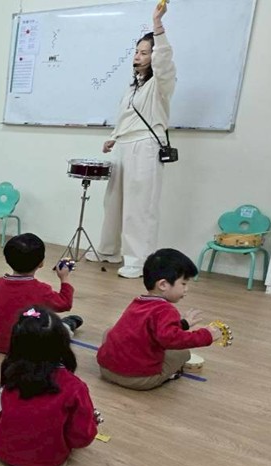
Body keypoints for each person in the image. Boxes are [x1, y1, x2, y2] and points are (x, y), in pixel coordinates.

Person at [93, 3, 175, 279]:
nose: (137, 56)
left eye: (144, 52)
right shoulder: (133, 87)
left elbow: (164, 60)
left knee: (139, 207)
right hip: (125, 146)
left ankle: (139, 262)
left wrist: (157, 24)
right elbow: (126, 117)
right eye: (136, 52)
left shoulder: (161, 83)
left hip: (145, 147)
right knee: (113, 202)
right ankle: (109, 251)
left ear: (154, 56)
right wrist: (113, 138)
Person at [0, 306, 100, 466]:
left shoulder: (12, 370)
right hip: (49, 461)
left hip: (0, 450)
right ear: (62, 342)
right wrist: (91, 422)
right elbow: (81, 439)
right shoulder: (75, 386)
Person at [97, 248, 221, 390]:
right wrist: (206, 335)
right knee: (182, 353)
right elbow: (172, 340)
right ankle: (168, 375)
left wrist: (183, 324)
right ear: (163, 285)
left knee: (110, 331)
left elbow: (148, 328)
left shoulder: (138, 302)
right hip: (139, 379)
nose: (186, 289)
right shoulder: (166, 310)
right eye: (183, 283)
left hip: (106, 370)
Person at [0, 233, 82, 353]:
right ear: (41, 263)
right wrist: (64, 278)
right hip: (26, 349)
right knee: (59, 332)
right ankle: (67, 325)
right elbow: (65, 303)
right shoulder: (41, 290)